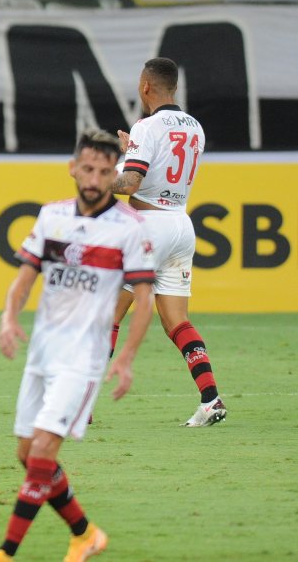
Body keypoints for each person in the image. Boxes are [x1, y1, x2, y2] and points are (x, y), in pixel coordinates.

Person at [0, 130, 155, 562]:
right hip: (42, 351)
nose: (94, 178)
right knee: (27, 456)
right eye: (88, 169)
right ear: (73, 168)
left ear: (114, 173)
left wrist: (126, 358)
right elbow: (24, 279)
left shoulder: (129, 229)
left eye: (104, 171)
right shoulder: (51, 217)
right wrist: (9, 317)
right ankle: (84, 533)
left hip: (84, 358)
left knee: (43, 449)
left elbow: (144, 300)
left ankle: (6, 552)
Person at [110, 57, 227, 427]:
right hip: (180, 224)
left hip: (147, 227)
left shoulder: (146, 125)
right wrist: (133, 153)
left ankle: (79, 404)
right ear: (173, 86)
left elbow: (130, 184)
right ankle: (211, 399)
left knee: (108, 316)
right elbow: (161, 168)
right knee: (177, 321)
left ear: (145, 86)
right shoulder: (195, 128)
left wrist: (96, 180)